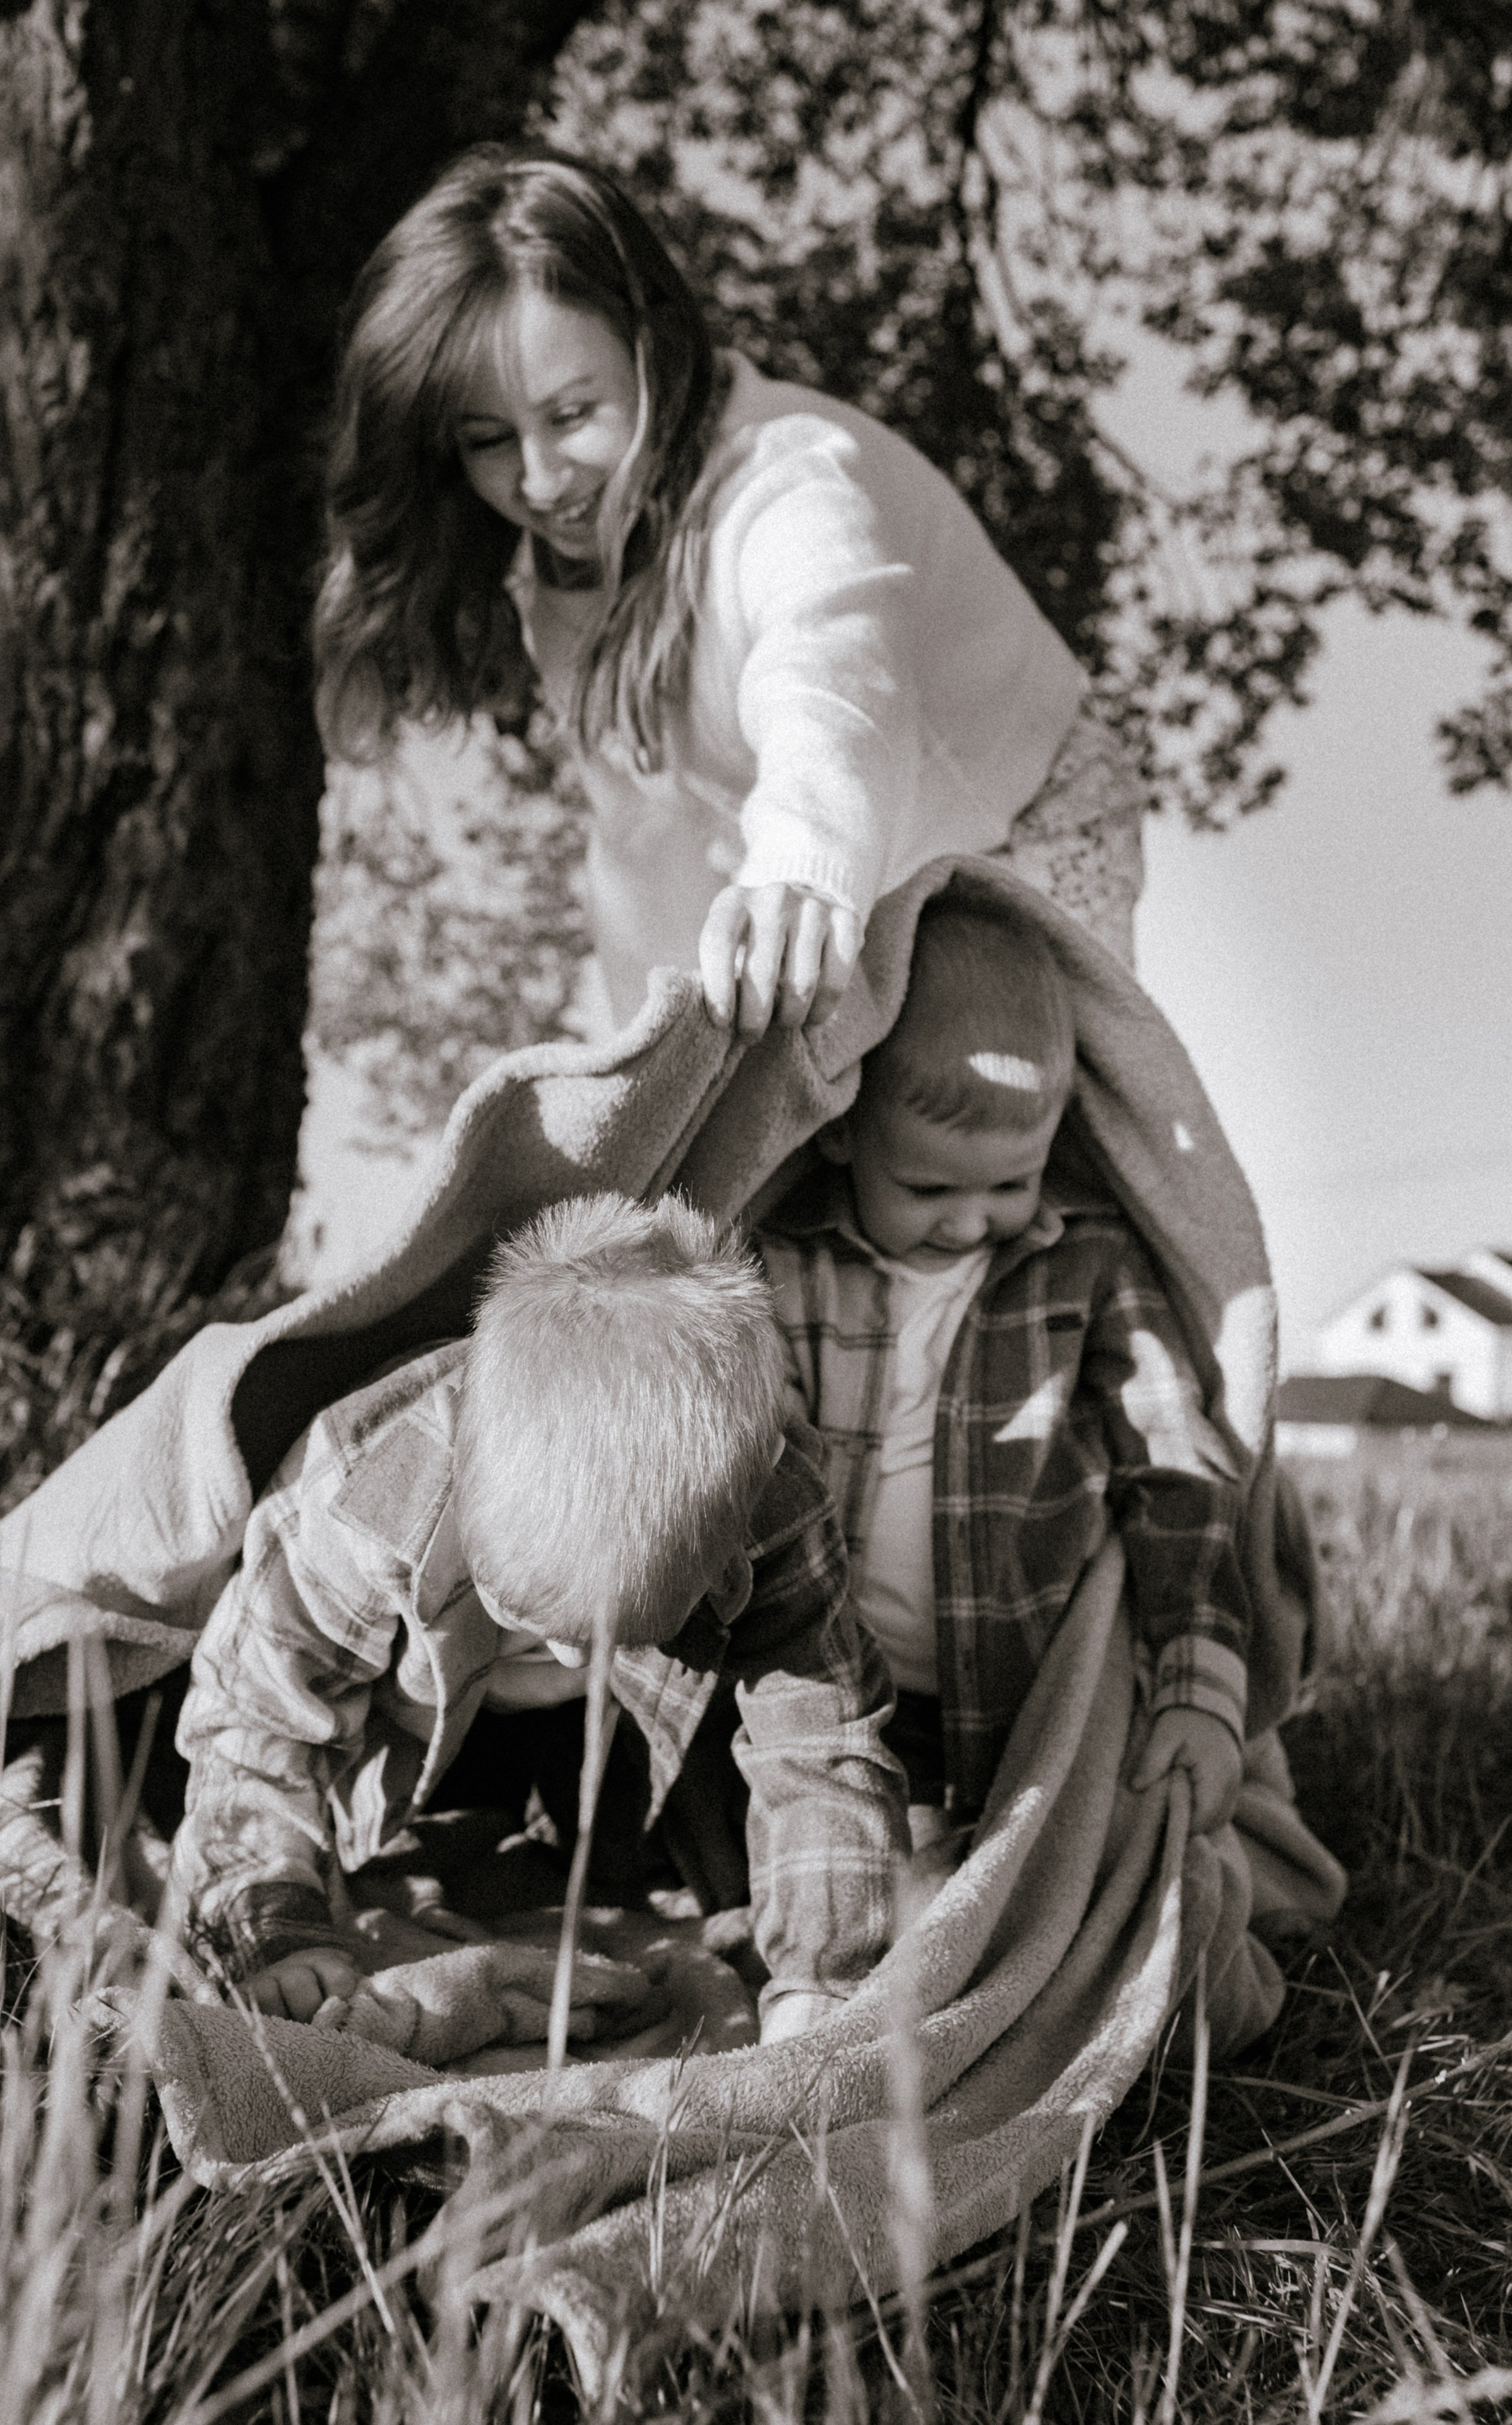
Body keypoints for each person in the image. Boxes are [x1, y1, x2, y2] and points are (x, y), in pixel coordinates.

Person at [312, 144, 1122, 1039]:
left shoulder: (791, 481)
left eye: (572, 414)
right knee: (794, 1137)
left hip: (1017, 819)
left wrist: (803, 867)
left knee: (986, 1131)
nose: (541, 481)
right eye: (489, 440)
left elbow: (832, 680)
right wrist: (652, 1075)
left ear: (649, 348)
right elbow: (642, 847)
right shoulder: (564, 589)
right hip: (844, 873)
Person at [168, 1192, 909, 2046]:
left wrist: (824, 1981)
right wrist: (276, 1929)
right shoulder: (360, 1503)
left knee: (721, 1879)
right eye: (530, 1612)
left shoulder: (774, 1498)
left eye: (608, 1632)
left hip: (633, 1739)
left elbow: (822, 1746)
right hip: (406, 1727)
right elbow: (257, 1725)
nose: (562, 1651)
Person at [756, 895, 1252, 1860]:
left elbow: (1177, 1465)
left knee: (1007, 1885)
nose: (973, 1221)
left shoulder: (1089, 1263)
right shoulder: (789, 1268)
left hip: (1018, 1702)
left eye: (1012, 1183)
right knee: (832, 1882)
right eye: (930, 1188)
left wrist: (1201, 1685)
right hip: (828, 1700)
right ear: (840, 1128)